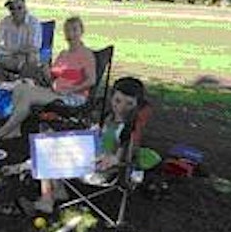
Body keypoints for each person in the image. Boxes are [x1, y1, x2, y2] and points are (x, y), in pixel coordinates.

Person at [31, 77, 153, 213]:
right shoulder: (106, 118)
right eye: (117, 101)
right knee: (47, 144)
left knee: (46, 157)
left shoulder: (128, 130)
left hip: (101, 173)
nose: (121, 107)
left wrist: (109, 159)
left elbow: (118, 159)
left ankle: (46, 200)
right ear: (111, 97)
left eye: (129, 104)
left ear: (137, 105)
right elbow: (89, 137)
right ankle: (59, 190)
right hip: (88, 159)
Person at [0, 16, 96, 142]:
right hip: (55, 91)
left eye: (74, 29)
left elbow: (91, 81)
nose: (71, 34)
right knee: (20, 88)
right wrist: (46, 71)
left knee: (28, 95)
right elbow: (51, 80)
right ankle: (15, 131)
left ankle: (1, 132)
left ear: (81, 31)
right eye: (67, 30)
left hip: (73, 96)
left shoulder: (86, 54)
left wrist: (69, 90)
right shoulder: (63, 54)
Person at [0, 0, 44, 83]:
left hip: (24, 57)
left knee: (32, 56)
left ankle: (21, 84)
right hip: (7, 55)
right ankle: (2, 81)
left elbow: (34, 47)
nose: (15, 11)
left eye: (19, 7)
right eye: (11, 8)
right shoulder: (5, 21)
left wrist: (17, 51)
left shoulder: (33, 23)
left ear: (25, 7)